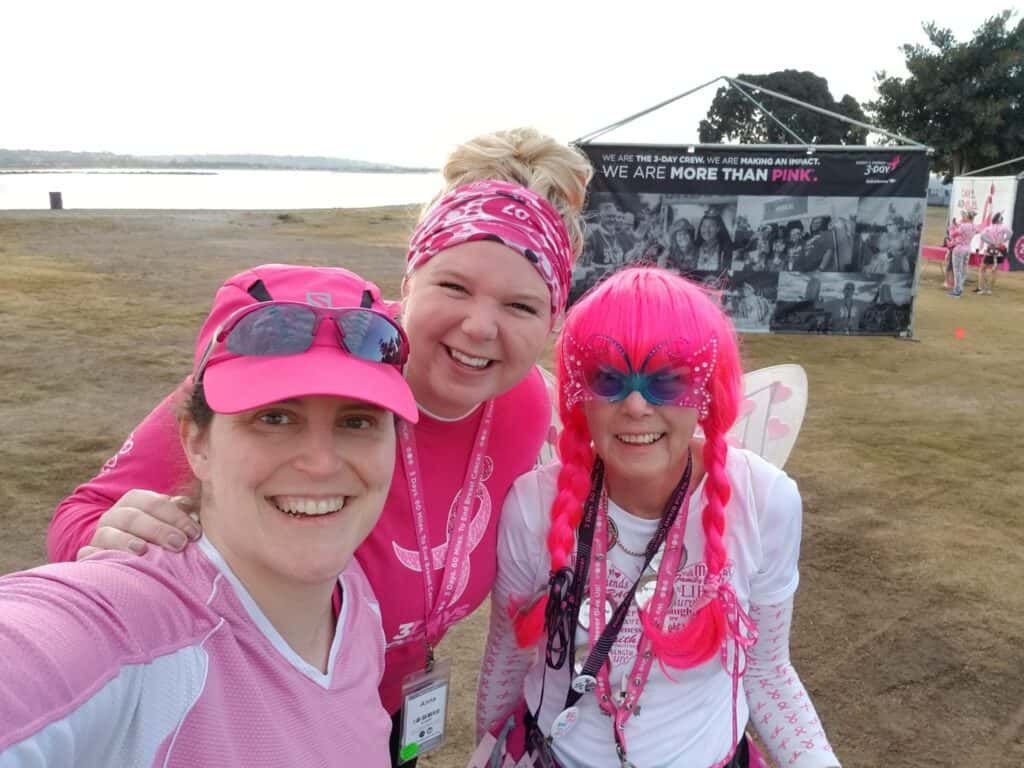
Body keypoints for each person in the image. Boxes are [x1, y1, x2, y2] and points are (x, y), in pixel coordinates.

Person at [46, 127, 593, 767]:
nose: (479, 326)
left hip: (387, 710)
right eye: (454, 287)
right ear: (409, 281)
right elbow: (81, 515)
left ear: (553, 322)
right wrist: (106, 537)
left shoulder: (529, 406)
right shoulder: (314, 358)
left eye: (520, 306)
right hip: (250, 716)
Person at [0, 264, 418, 765]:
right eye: (275, 417)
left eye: (357, 421)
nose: (322, 463)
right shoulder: (132, 630)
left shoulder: (354, 604)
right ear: (195, 442)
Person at [477, 266, 840, 768]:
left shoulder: (765, 499)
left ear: (707, 389)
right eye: (608, 377)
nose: (634, 405)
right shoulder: (533, 504)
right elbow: (506, 658)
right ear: (580, 394)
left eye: (666, 381)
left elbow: (766, 669)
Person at [975, 212, 1011, 295]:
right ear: (1000, 220)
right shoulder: (1003, 227)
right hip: (1000, 250)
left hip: (991, 249)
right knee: (994, 270)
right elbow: (1010, 233)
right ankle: (989, 289)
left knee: (982, 268)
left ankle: (981, 288)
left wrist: (991, 242)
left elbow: (982, 236)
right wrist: (1003, 241)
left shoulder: (990, 228)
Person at [947, 209, 976, 298]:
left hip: (959, 249)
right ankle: (959, 288)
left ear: (967, 217)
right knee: (963, 269)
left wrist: (952, 228)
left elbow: (952, 235)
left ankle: (957, 290)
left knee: (957, 270)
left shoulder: (963, 226)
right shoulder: (973, 226)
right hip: (967, 248)